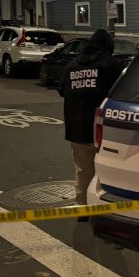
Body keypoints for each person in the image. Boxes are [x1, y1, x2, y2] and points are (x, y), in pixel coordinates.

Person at [58, 29, 126, 221]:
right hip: (105, 128)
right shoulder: (112, 65)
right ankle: (105, 206)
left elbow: (62, 90)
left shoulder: (72, 66)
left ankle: (82, 207)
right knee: (108, 168)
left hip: (77, 126)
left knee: (83, 168)